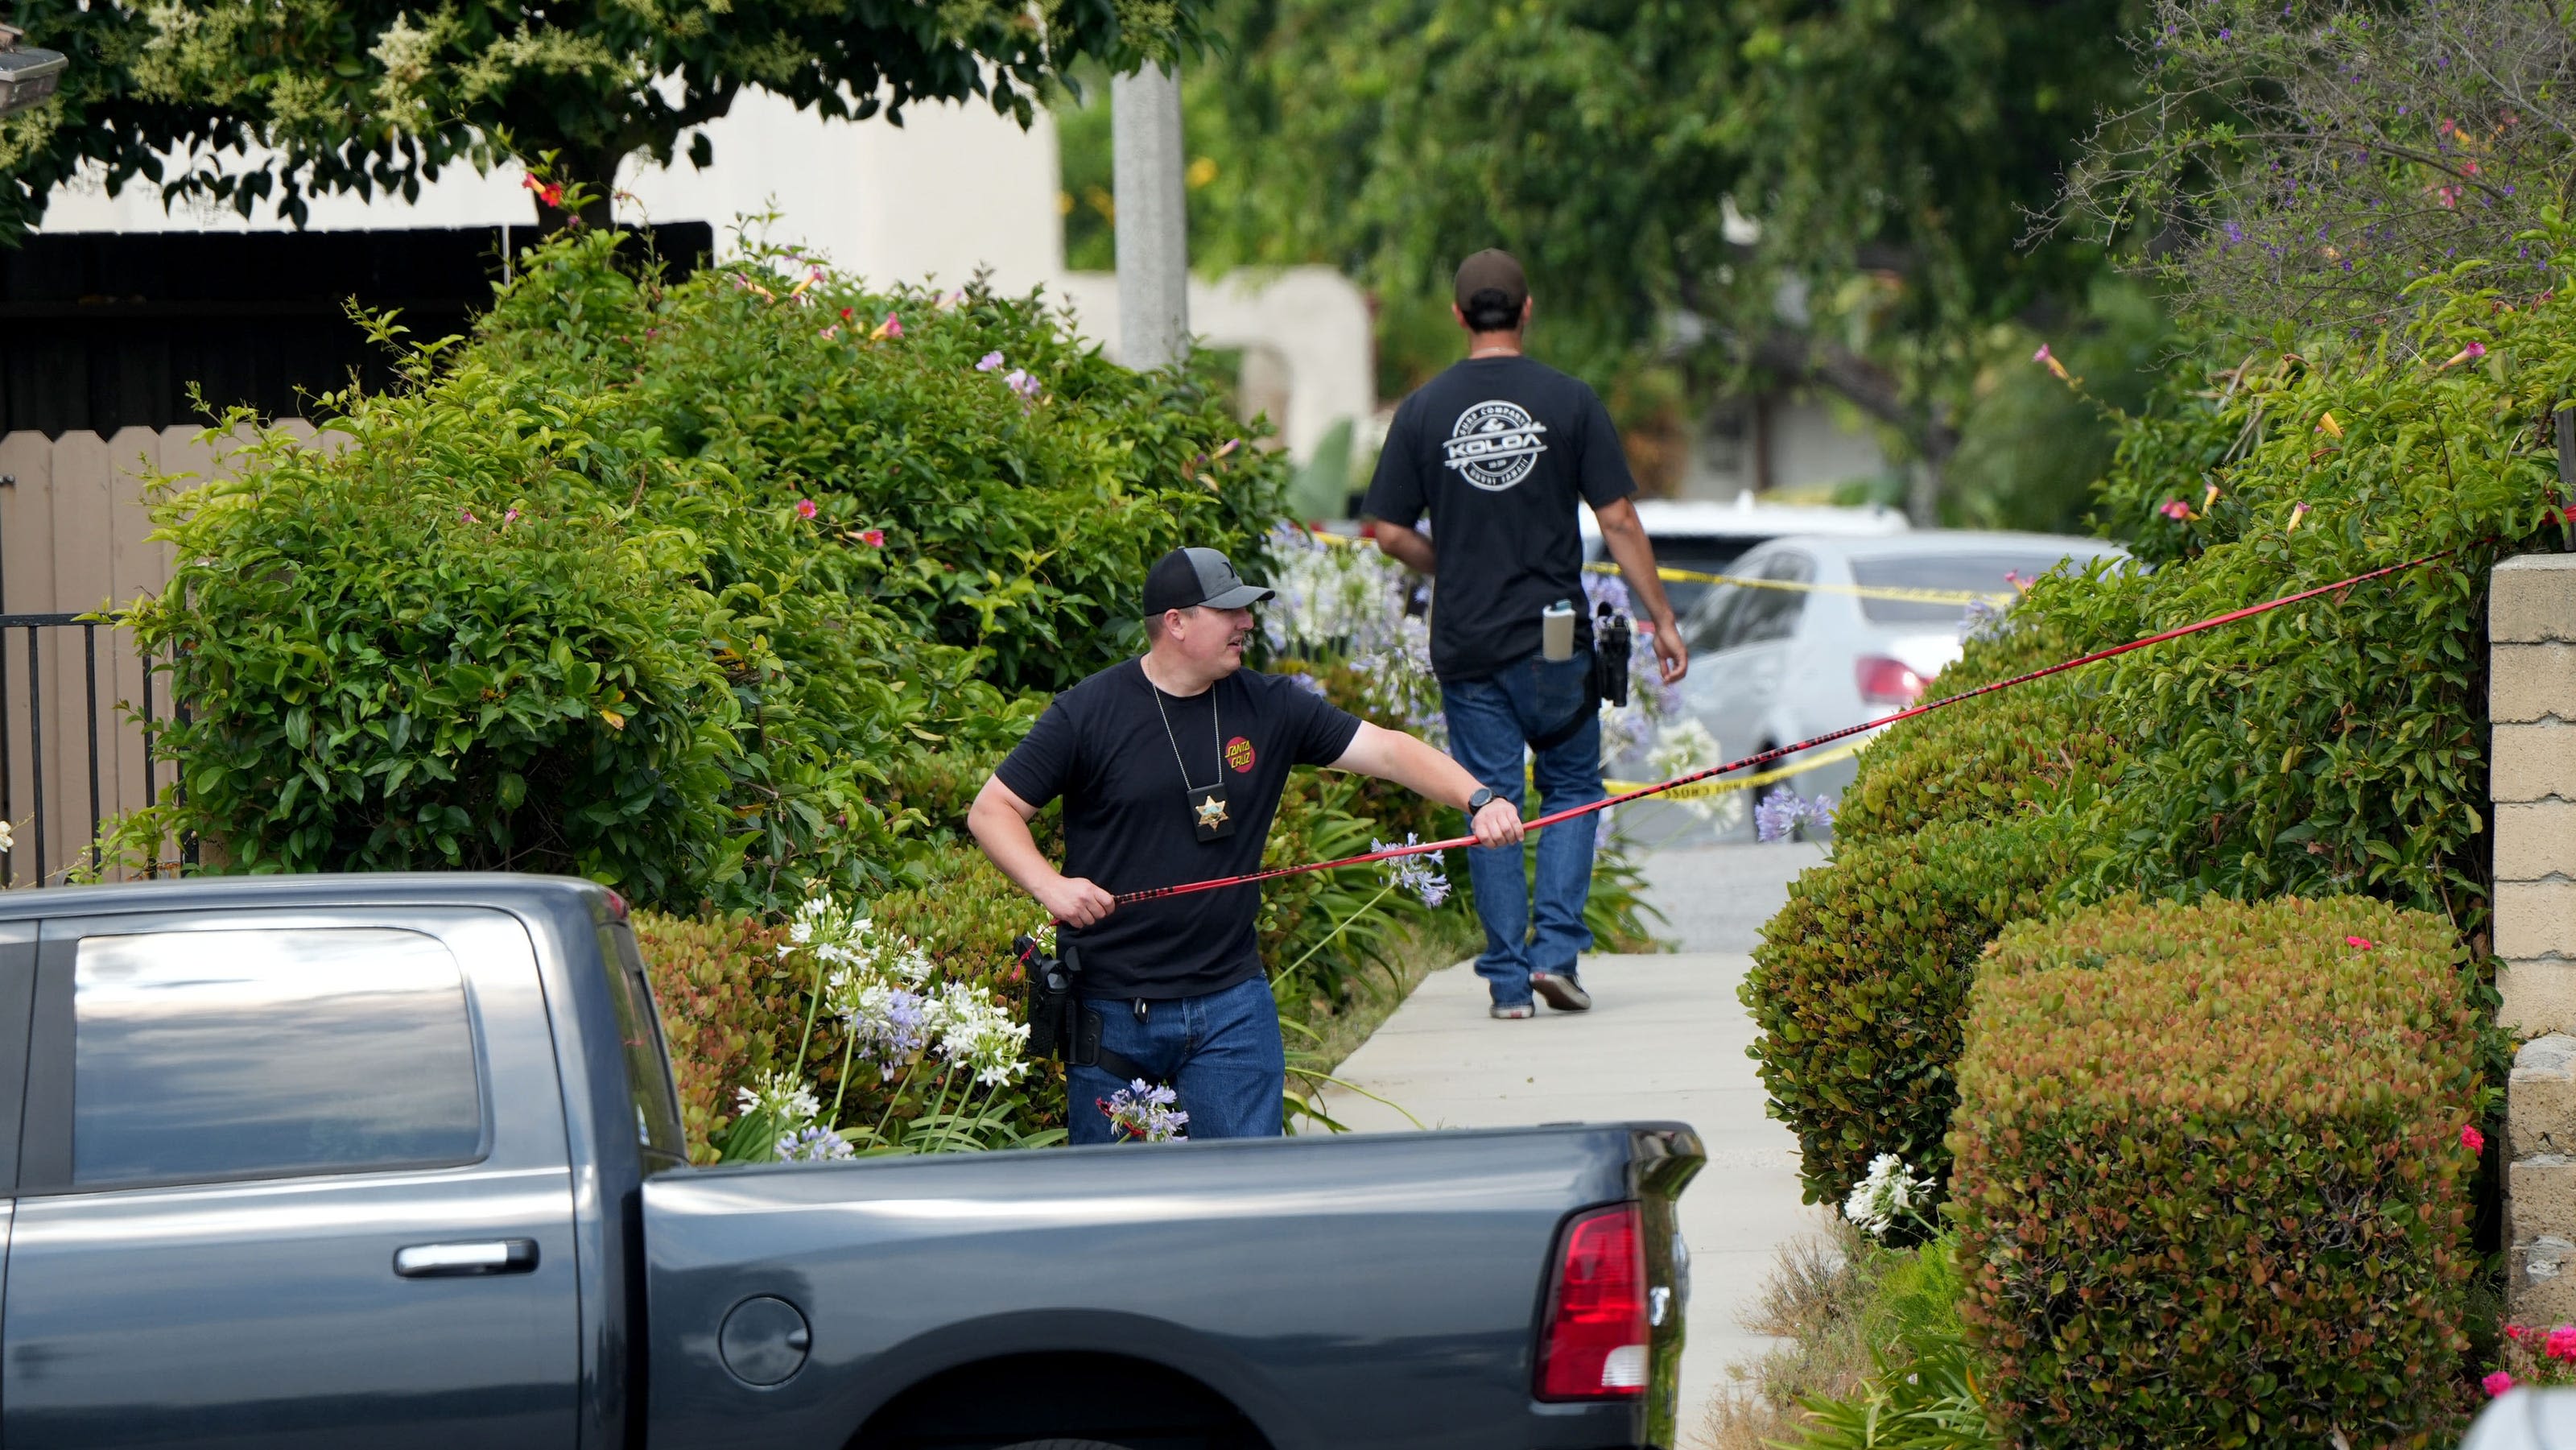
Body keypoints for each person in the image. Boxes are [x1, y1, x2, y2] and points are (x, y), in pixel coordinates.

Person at [968, 545, 1524, 1142]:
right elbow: (992, 810)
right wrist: (1051, 885)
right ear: (1176, 622)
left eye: (1248, 608)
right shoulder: (1089, 712)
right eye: (1228, 610)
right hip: (1112, 1007)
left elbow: (1388, 750)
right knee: (1119, 1216)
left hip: (1231, 1005)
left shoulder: (1270, 705)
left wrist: (1479, 799)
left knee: (1249, 1194)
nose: (1247, 622)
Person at [1360, 248, 1687, 1021]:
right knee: (1572, 788)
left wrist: (1448, 563)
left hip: (1469, 639)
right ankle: (1556, 958)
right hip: (1552, 638)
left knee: (1491, 799)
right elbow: (1618, 519)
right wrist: (1663, 620)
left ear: (1460, 315)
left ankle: (1509, 985)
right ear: (1527, 309)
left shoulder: (1424, 411)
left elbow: (1385, 531)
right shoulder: (1568, 400)